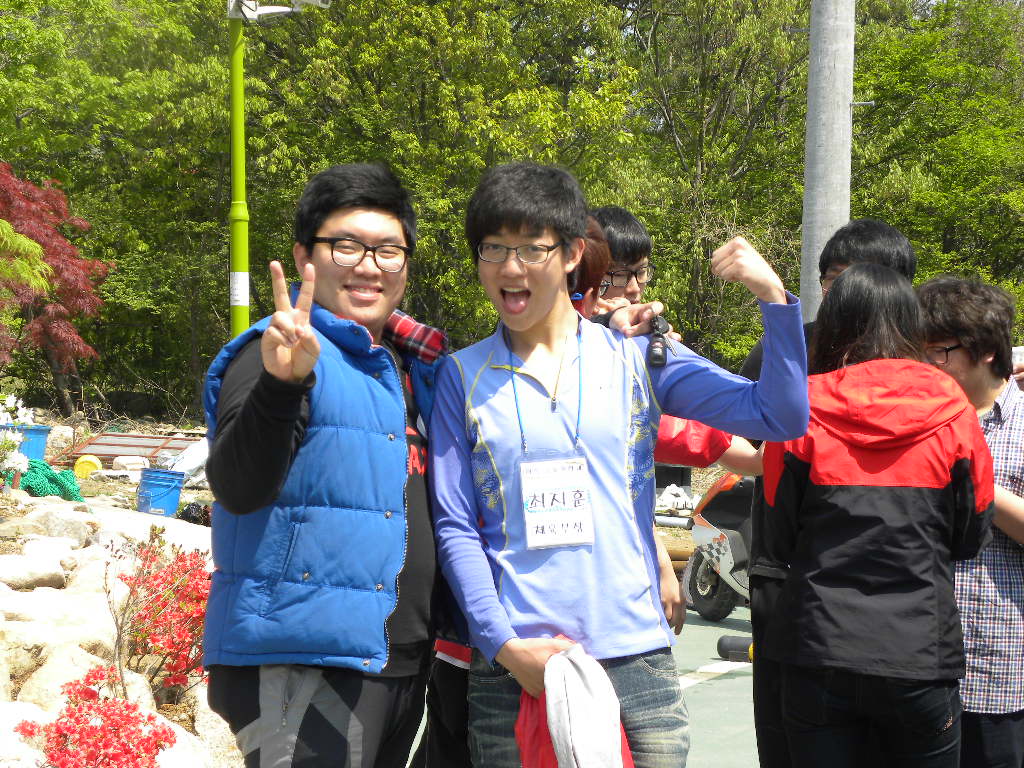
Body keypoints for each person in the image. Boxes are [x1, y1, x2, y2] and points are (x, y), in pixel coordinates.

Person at [429, 162, 810, 767]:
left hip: (636, 660)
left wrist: (773, 298)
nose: (509, 267)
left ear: (572, 254)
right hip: (517, 670)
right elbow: (455, 527)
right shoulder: (460, 376)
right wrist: (502, 645)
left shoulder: (640, 359)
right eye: (493, 248)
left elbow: (779, 417)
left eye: (531, 248)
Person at [202, 163, 448, 767]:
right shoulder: (275, 353)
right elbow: (237, 485)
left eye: (388, 250)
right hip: (303, 660)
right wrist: (281, 386)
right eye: (346, 246)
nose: (369, 266)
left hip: (396, 659)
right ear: (303, 256)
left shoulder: (404, 365)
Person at [755, 263, 995, 768]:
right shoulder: (954, 411)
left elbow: (776, 538)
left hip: (818, 646)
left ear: (834, 323)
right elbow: (970, 535)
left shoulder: (801, 409)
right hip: (919, 650)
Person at [742, 217, 916, 768]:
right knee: (786, 745)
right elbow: (744, 443)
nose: (842, 294)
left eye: (857, 278)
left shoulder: (929, 363)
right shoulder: (787, 346)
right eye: (832, 279)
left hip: (897, 591)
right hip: (785, 577)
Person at [917, 277, 1024, 768]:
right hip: (913, 665)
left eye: (939, 352)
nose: (926, 365)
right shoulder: (916, 421)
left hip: (997, 665)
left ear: (984, 350)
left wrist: (974, 478)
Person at [738, 217, 916, 381]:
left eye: (862, 279)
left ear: (899, 286)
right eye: (835, 278)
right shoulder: (786, 348)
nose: (845, 289)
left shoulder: (925, 349)